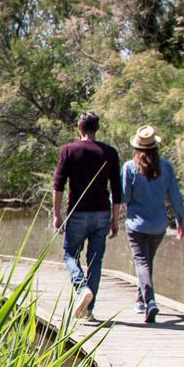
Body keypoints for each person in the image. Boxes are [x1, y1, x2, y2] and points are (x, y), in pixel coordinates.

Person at [53, 112, 123, 320]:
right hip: (102, 213)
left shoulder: (69, 150)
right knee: (95, 261)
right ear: (96, 129)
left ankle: (82, 289)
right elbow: (117, 189)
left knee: (69, 254)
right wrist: (115, 219)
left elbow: (58, 185)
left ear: (79, 128)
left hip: (77, 213)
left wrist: (57, 214)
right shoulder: (110, 153)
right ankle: (88, 310)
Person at [121, 125, 184, 323]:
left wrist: (109, 215)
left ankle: (150, 302)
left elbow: (123, 197)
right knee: (147, 262)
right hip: (159, 225)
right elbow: (175, 196)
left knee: (141, 262)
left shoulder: (129, 168)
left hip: (136, 225)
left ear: (137, 147)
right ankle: (140, 301)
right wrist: (180, 220)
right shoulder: (165, 167)